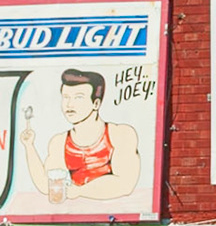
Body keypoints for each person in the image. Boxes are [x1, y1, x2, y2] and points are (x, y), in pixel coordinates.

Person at [23, 69, 142, 201]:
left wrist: (80, 191)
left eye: (78, 97)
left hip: (117, 215)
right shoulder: (60, 142)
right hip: (77, 215)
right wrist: (29, 146)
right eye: (66, 97)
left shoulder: (120, 134)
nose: (69, 104)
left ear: (96, 104)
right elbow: (47, 186)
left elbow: (125, 184)